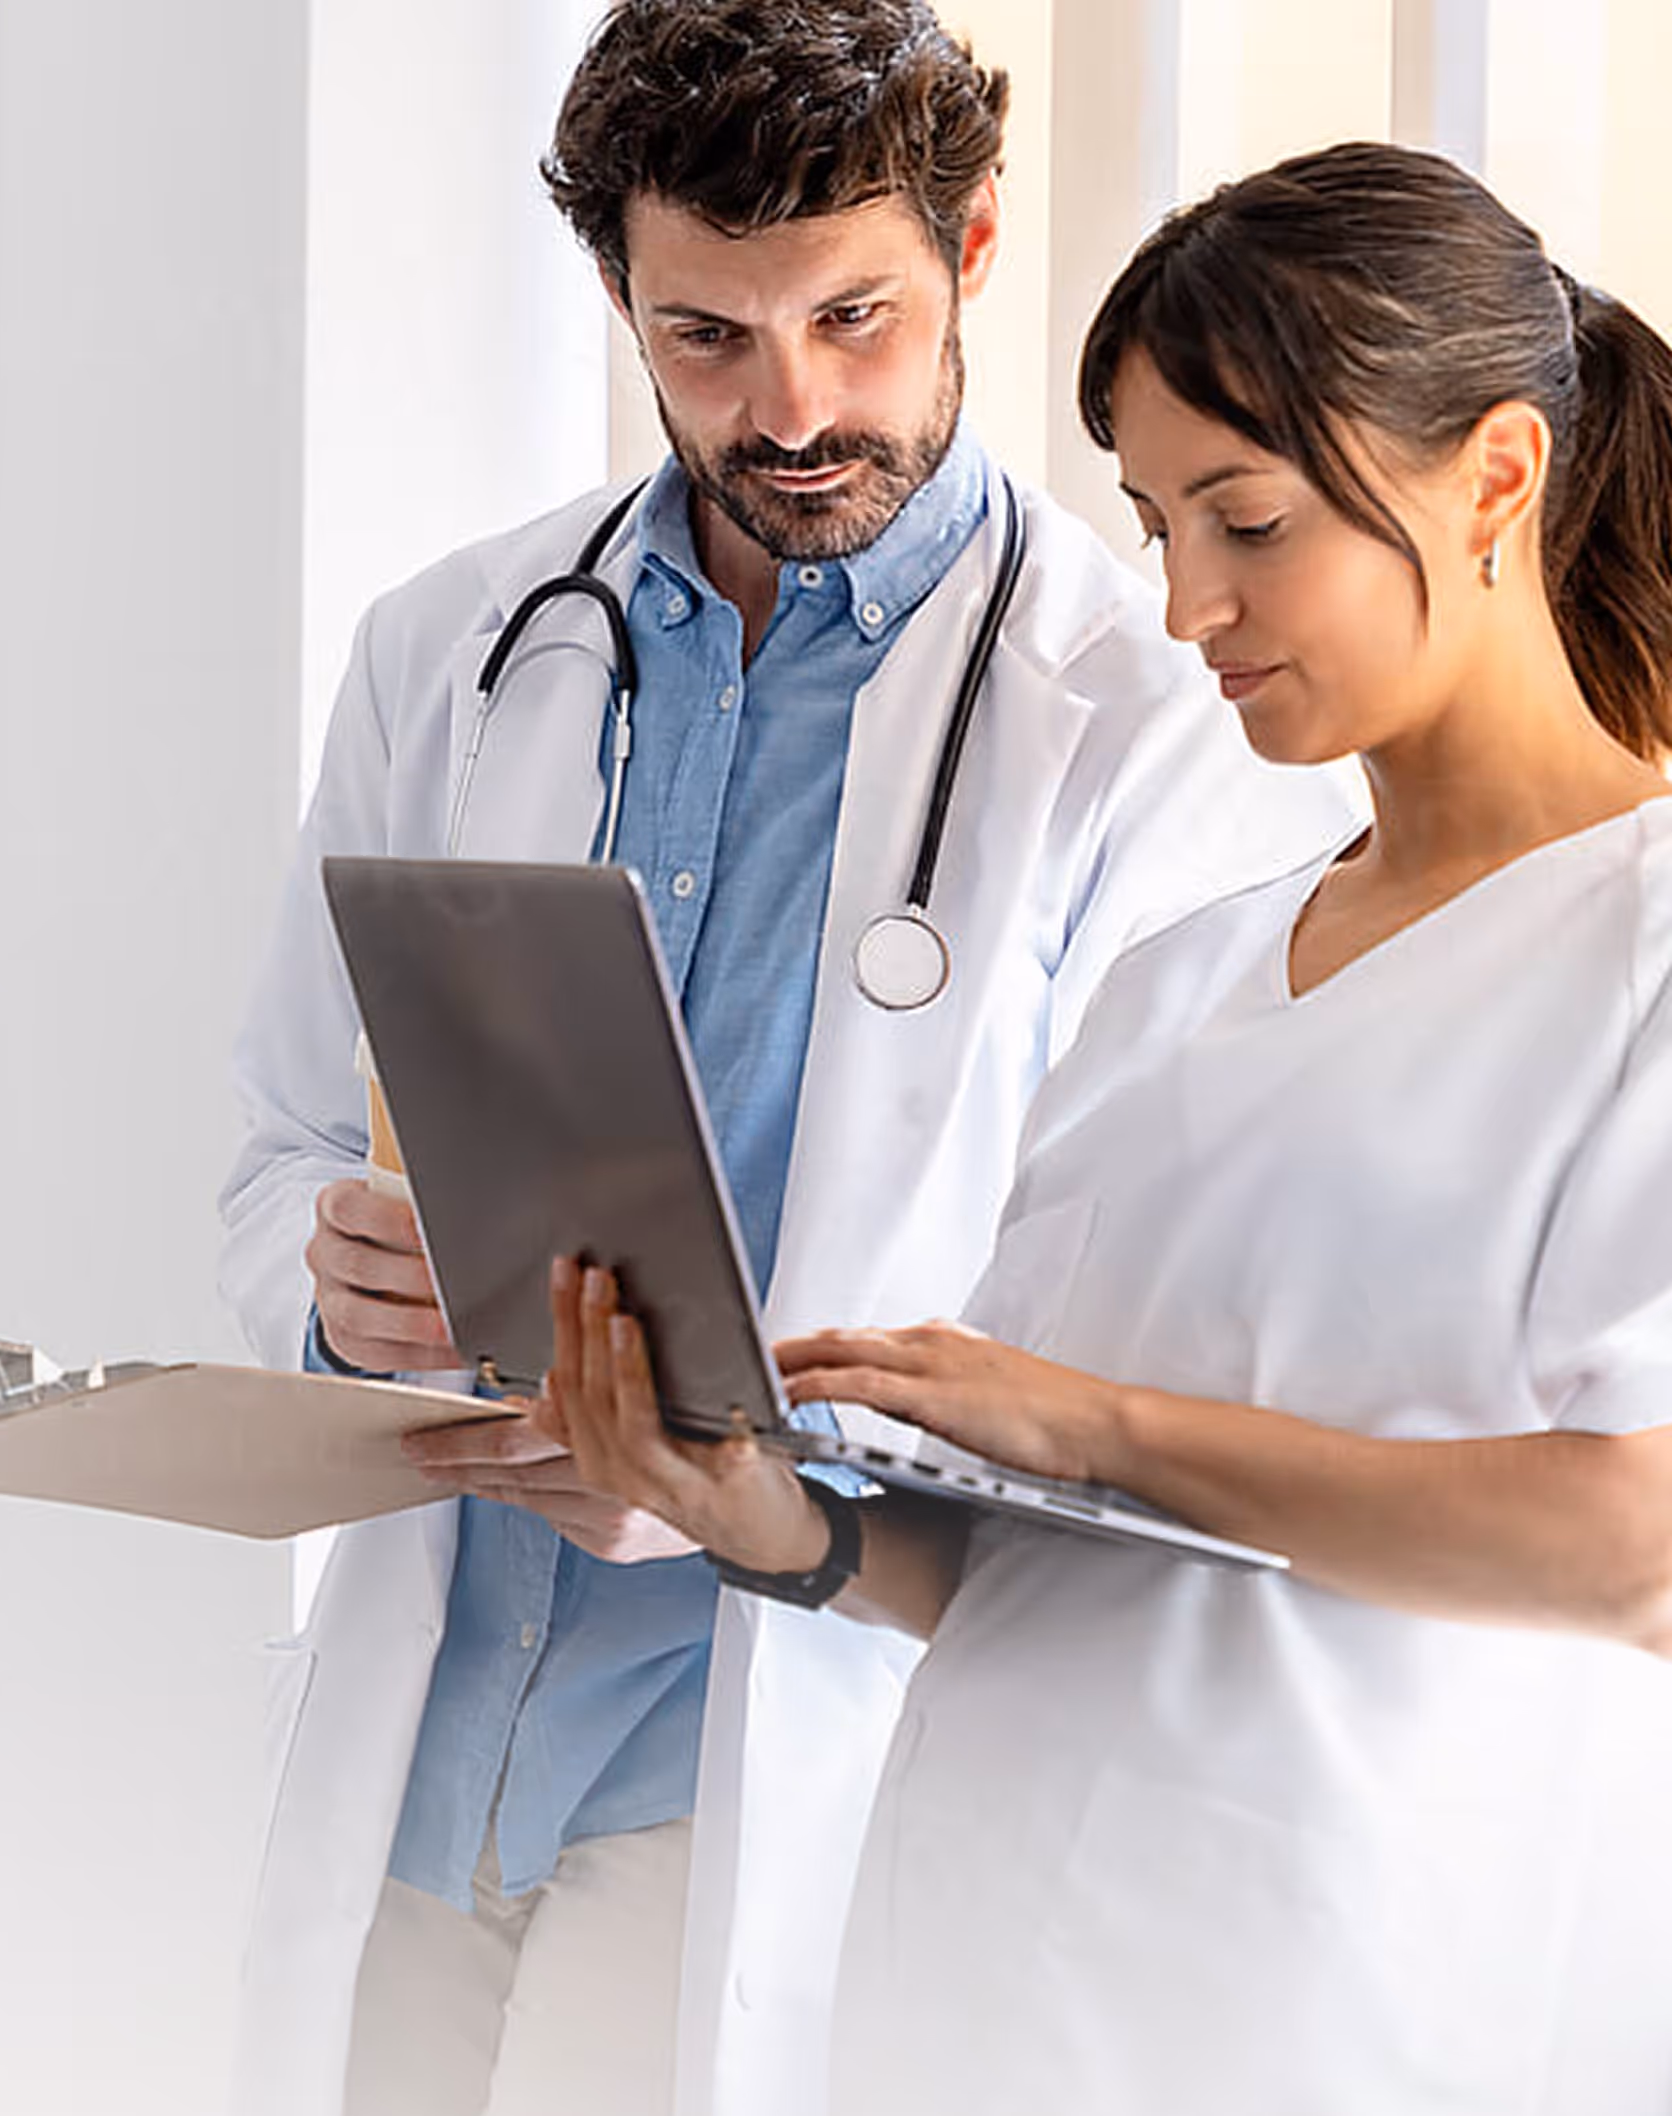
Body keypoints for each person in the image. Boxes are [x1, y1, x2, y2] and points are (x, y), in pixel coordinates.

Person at [216, 5, 1352, 2113]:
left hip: (764, 1746)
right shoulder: (447, 647)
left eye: (852, 317)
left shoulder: (1146, 727)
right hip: (422, 1730)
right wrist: (321, 1266)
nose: (793, 405)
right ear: (622, 302)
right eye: (706, 336)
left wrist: (758, 1481)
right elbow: (280, 1122)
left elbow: (1158, 1370)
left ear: (973, 253)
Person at [537, 139, 1672, 2115]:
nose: (1184, 606)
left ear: (1493, 476)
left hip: (1338, 1999)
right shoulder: (1186, 975)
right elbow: (1033, 1559)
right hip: (972, 1984)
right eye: (1151, 526)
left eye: (1243, 522)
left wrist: (1088, 1415)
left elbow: (1629, 1538)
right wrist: (766, 1522)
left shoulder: (1636, 942)